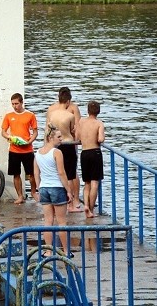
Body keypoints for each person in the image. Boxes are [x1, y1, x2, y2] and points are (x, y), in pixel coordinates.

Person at [33, 124, 74, 257]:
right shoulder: (57, 152)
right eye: (59, 137)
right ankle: (66, 251)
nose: (61, 139)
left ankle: (49, 250)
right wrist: (68, 190)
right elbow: (61, 173)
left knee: (48, 221)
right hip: (56, 187)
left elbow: (36, 173)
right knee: (61, 221)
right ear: (51, 138)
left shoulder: (38, 153)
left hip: (44, 188)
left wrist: (38, 189)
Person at [46, 87, 83, 212]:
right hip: (68, 144)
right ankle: (71, 204)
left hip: (55, 144)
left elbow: (48, 130)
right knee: (70, 175)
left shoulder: (52, 113)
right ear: (68, 102)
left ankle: (58, 200)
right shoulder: (70, 114)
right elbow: (74, 130)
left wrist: (46, 145)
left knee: (57, 173)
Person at [1, 93, 38, 204]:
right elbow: (3, 132)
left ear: (22, 103)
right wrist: (9, 137)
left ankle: (33, 192)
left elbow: (35, 132)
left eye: (16, 103)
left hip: (27, 149)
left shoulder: (30, 115)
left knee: (31, 174)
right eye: (12, 104)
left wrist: (29, 141)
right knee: (16, 174)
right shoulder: (8, 115)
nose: (14, 106)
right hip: (14, 150)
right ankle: (20, 196)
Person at [77, 100, 105, 218]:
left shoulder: (81, 121)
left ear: (87, 111)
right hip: (95, 153)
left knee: (86, 183)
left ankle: (86, 205)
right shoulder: (99, 123)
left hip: (84, 153)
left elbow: (77, 137)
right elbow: (100, 139)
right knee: (95, 183)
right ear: (98, 112)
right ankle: (92, 209)